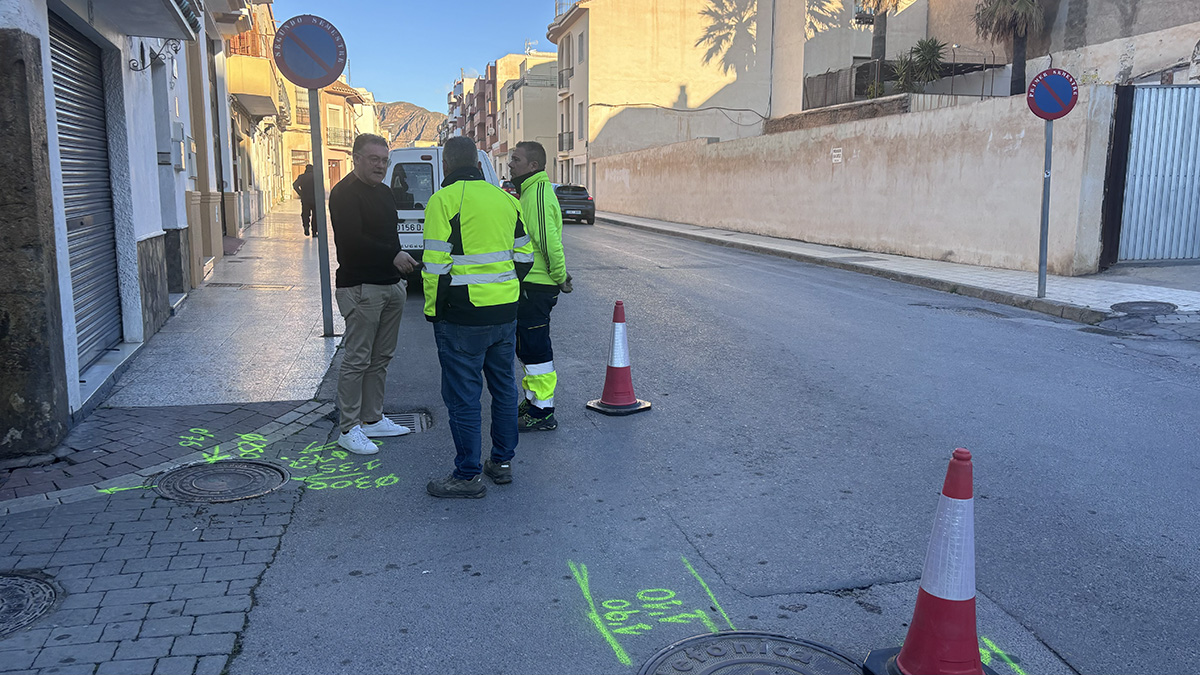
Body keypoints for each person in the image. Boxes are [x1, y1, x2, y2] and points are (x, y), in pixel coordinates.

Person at [423, 136, 534, 498]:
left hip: (462, 318)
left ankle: (468, 474)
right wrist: (505, 293)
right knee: (503, 390)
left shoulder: (443, 201)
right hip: (505, 314)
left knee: (464, 397)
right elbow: (524, 258)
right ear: (477, 163)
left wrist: (434, 312)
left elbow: (435, 266)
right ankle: (501, 463)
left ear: (446, 165)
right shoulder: (506, 200)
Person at [328, 134, 418, 454]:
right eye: (374, 159)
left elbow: (387, 235)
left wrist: (397, 267)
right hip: (361, 286)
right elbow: (352, 241)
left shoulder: (384, 191)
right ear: (356, 158)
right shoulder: (344, 194)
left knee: (380, 358)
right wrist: (392, 256)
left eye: (384, 160)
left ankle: (372, 419)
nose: (380, 165)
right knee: (357, 359)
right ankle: (349, 427)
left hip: (390, 285)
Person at [508, 141, 572, 432]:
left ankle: (543, 411)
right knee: (527, 346)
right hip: (532, 283)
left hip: (537, 284)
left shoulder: (537, 193)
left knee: (535, 348)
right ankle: (534, 399)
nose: (510, 164)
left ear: (533, 166)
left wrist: (560, 277)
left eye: (516, 159)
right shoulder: (531, 190)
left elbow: (548, 242)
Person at [292, 164, 317, 237]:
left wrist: (301, 193)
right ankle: (314, 232)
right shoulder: (315, 176)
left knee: (305, 214)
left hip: (305, 199)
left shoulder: (302, 177)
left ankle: (306, 226)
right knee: (315, 216)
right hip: (315, 199)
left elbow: (295, 185)